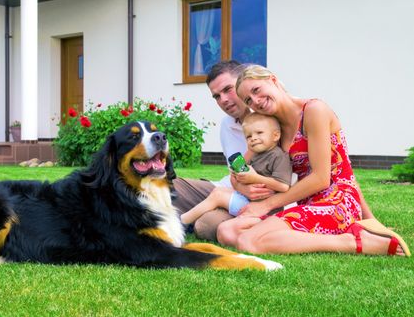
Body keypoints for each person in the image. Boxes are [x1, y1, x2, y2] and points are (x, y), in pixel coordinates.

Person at [216, 64, 410, 256]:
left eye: (257, 90)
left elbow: (323, 178)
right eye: (248, 100)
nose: (256, 101)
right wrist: (241, 185)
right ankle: (288, 235)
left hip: (336, 201)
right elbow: (238, 168)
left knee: (248, 241)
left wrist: (267, 205)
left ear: (272, 80)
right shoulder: (273, 126)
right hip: (305, 203)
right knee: (226, 231)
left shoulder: (314, 110)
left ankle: (352, 242)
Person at [172, 61, 275, 241]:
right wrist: (240, 185)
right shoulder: (227, 125)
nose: (223, 100)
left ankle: (190, 218)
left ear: (243, 83)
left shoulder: (271, 121)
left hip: (259, 200)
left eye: (228, 89)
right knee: (168, 185)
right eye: (217, 96)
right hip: (226, 189)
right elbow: (235, 170)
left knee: (205, 226)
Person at [180, 113, 292, 227]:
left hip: (262, 210)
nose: (253, 138)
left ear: (275, 136)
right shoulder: (256, 154)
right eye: (248, 136)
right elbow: (235, 176)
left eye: (259, 133)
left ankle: (182, 222)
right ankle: (188, 220)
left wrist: (255, 178)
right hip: (247, 200)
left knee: (218, 195)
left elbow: (283, 186)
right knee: (218, 192)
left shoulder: (279, 156)